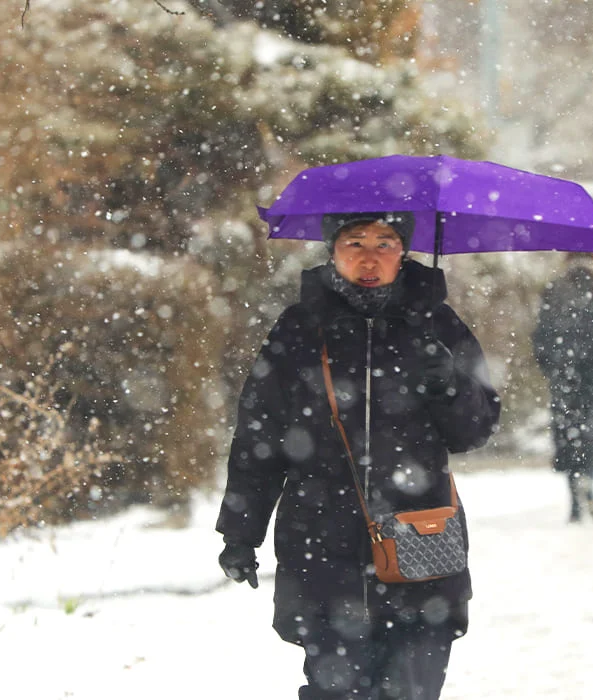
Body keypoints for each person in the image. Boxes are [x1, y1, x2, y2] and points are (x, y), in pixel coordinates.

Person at [215, 211, 501, 700]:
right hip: (322, 541)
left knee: (412, 688)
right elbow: (259, 436)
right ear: (332, 251)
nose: (369, 258)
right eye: (355, 243)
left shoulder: (437, 324)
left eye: (385, 243)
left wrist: (448, 384)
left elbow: (475, 429)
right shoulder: (301, 328)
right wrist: (241, 532)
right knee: (334, 689)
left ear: (404, 252)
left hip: (419, 539)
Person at [531, 252, 593, 524]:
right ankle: (589, 479)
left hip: (565, 373)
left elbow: (541, 333)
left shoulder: (554, 289)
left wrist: (551, 367)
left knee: (568, 434)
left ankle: (575, 501)